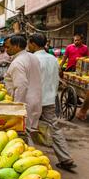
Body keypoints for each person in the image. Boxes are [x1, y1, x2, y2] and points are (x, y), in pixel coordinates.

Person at [28, 33, 76, 170]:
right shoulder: (53, 59)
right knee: (54, 128)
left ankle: (33, 161)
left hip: (34, 100)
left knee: (27, 129)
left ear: (33, 44)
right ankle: (65, 157)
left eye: (29, 43)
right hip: (50, 99)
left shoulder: (32, 59)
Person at [4, 35, 42, 140]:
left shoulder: (17, 63)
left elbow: (21, 86)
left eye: (8, 47)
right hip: (36, 100)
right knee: (29, 131)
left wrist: (16, 109)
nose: (6, 50)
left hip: (25, 103)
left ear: (16, 46)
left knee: (23, 135)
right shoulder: (33, 57)